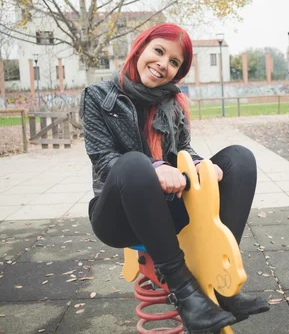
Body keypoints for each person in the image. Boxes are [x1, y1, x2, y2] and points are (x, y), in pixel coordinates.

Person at [80, 23, 269, 334]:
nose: (163, 64)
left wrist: (198, 165)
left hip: (168, 207)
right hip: (118, 214)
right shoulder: (98, 96)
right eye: (158, 51)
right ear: (140, 48)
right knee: (133, 165)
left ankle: (220, 284)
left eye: (174, 62)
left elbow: (183, 148)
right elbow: (104, 161)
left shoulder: (173, 102)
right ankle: (186, 292)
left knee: (239, 159)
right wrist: (155, 168)